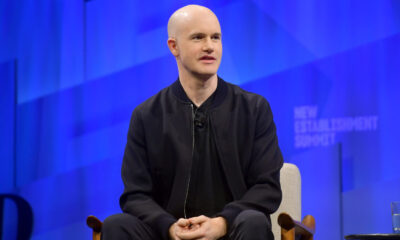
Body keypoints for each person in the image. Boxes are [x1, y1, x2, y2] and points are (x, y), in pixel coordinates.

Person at [102, 4, 283, 240]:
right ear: (173, 46)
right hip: (168, 234)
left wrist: (222, 223)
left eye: (215, 38)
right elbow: (135, 195)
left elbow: (266, 187)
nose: (209, 46)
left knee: (253, 221)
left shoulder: (254, 109)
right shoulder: (146, 115)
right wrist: (168, 227)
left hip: (231, 232)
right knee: (117, 225)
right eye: (198, 37)